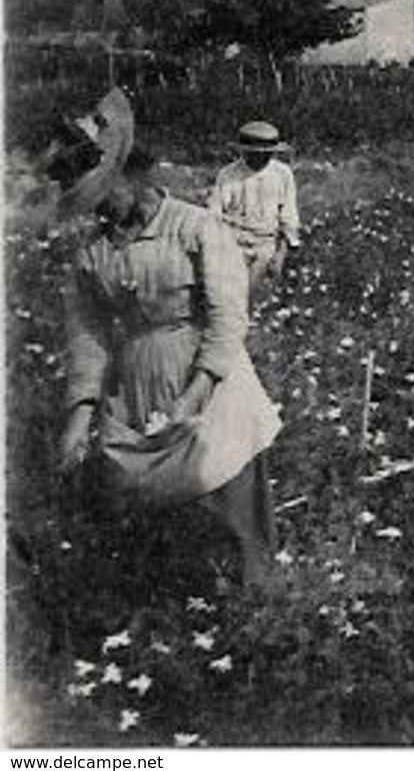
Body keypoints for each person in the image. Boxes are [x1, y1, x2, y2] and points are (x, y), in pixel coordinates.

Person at [45, 89, 282, 587]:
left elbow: (226, 318)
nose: (100, 213)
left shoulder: (194, 227)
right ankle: (175, 620)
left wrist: (195, 394)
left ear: (131, 174)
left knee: (230, 505)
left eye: (103, 196)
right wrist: (79, 416)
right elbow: (88, 335)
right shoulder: (93, 253)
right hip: (136, 390)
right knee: (155, 521)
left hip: (211, 386)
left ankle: (254, 615)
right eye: (90, 206)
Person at [209, 120, 301, 292]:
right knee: (233, 299)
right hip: (234, 246)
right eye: (255, 153)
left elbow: (289, 216)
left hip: (266, 245)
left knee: (262, 299)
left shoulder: (282, 174)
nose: (262, 158)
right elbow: (214, 215)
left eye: (268, 153)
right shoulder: (228, 174)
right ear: (244, 152)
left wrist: (281, 254)